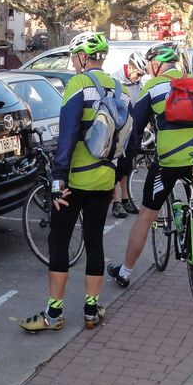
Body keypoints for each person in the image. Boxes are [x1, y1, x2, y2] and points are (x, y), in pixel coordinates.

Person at [19, 32, 123, 332]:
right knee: (94, 242)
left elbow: (66, 136)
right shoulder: (119, 87)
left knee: (59, 241)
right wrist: (116, 176)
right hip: (104, 178)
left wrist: (57, 179)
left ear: (81, 57)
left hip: (73, 180)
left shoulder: (78, 85)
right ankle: (92, 310)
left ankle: (54, 314)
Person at [106, 42, 193, 288]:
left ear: (157, 63)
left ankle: (125, 272)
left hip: (167, 161)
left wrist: (133, 154)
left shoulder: (152, 87)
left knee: (147, 215)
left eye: (149, 65)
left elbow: (134, 127)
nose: (148, 70)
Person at [110, 51, 148, 219]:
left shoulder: (138, 82)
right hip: (119, 128)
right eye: (137, 73)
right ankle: (116, 202)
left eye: (141, 75)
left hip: (133, 128)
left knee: (127, 166)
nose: (138, 77)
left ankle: (126, 199)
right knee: (117, 166)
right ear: (130, 67)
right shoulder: (115, 80)